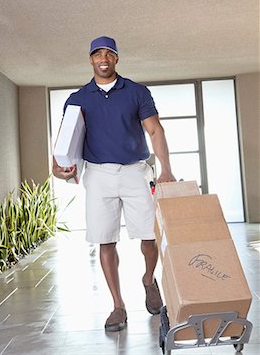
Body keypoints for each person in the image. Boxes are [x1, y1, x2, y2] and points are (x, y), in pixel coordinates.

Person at [52, 36, 176, 332]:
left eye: (109, 53)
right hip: (97, 175)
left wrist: (167, 169)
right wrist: (59, 167)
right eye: (98, 54)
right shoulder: (77, 98)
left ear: (117, 59)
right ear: (91, 60)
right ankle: (118, 306)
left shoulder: (136, 92)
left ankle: (148, 279)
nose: (103, 58)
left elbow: (155, 129)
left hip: (135, 171)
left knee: (150, 236)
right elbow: (66, 138)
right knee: (105, 239)